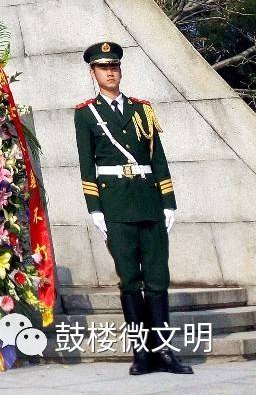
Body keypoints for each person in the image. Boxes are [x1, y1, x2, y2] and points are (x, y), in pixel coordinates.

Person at [74, 40, 191, 376]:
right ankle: (141, 353)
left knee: (157, 278)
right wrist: (94, 208)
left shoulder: (142, 109)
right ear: (93, 73)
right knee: (129, 279)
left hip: (149, 199)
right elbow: (87, 165)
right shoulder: (86, 114)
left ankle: (164, 352)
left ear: (120, 70)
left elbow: (157, 157)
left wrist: (168, 201)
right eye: (103, 68)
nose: (110, 72)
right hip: (115, 204)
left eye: (115, 66)